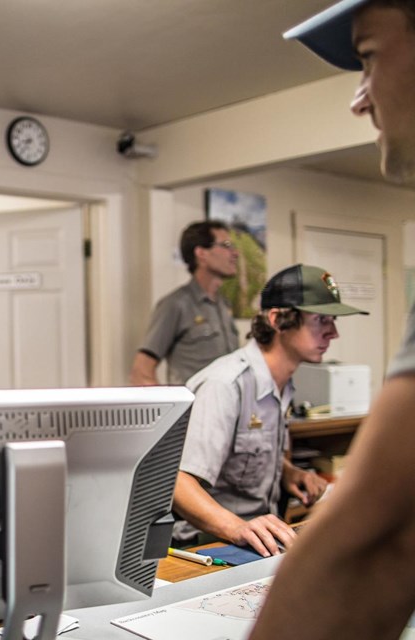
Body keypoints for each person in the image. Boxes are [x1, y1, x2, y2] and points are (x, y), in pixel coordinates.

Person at [249, 2, 415, 639]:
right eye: (321, 321)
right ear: (278, 319)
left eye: (369, 57)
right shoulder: (231, 383)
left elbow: (383, 535)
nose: (359, 99)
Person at [172, 264, 368, 556]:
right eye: (321, 319)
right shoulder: (225, 385)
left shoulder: (282, 384)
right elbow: (179, 484)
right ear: (278, 319)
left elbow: (244, 453)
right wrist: (238, 527)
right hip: (208, 544)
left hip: (259, 538)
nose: (333, 333)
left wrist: (288, 473)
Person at [130, 220, 239, 386]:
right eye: (226, 245)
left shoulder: (224, 304)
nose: (235, 253)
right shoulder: (176, 304)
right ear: (201, 253)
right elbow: (141, 372)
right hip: (194, 410)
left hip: (228, 409)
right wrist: (171, 410)